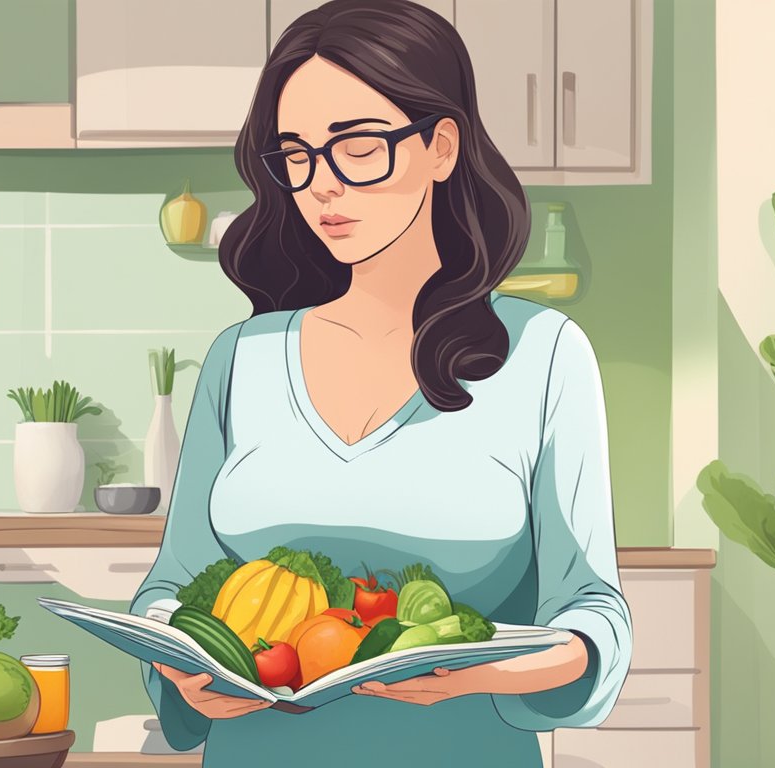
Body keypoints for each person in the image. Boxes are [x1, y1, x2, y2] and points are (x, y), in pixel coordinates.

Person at [128, 1, 632, 764]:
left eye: (358, 146)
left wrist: (475, 673)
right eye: (295, 154)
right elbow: (172, 587)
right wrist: (177, 664)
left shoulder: (542, 353)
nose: (321, 185)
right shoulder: (241, 359)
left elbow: (592, 615)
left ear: (441, 146)